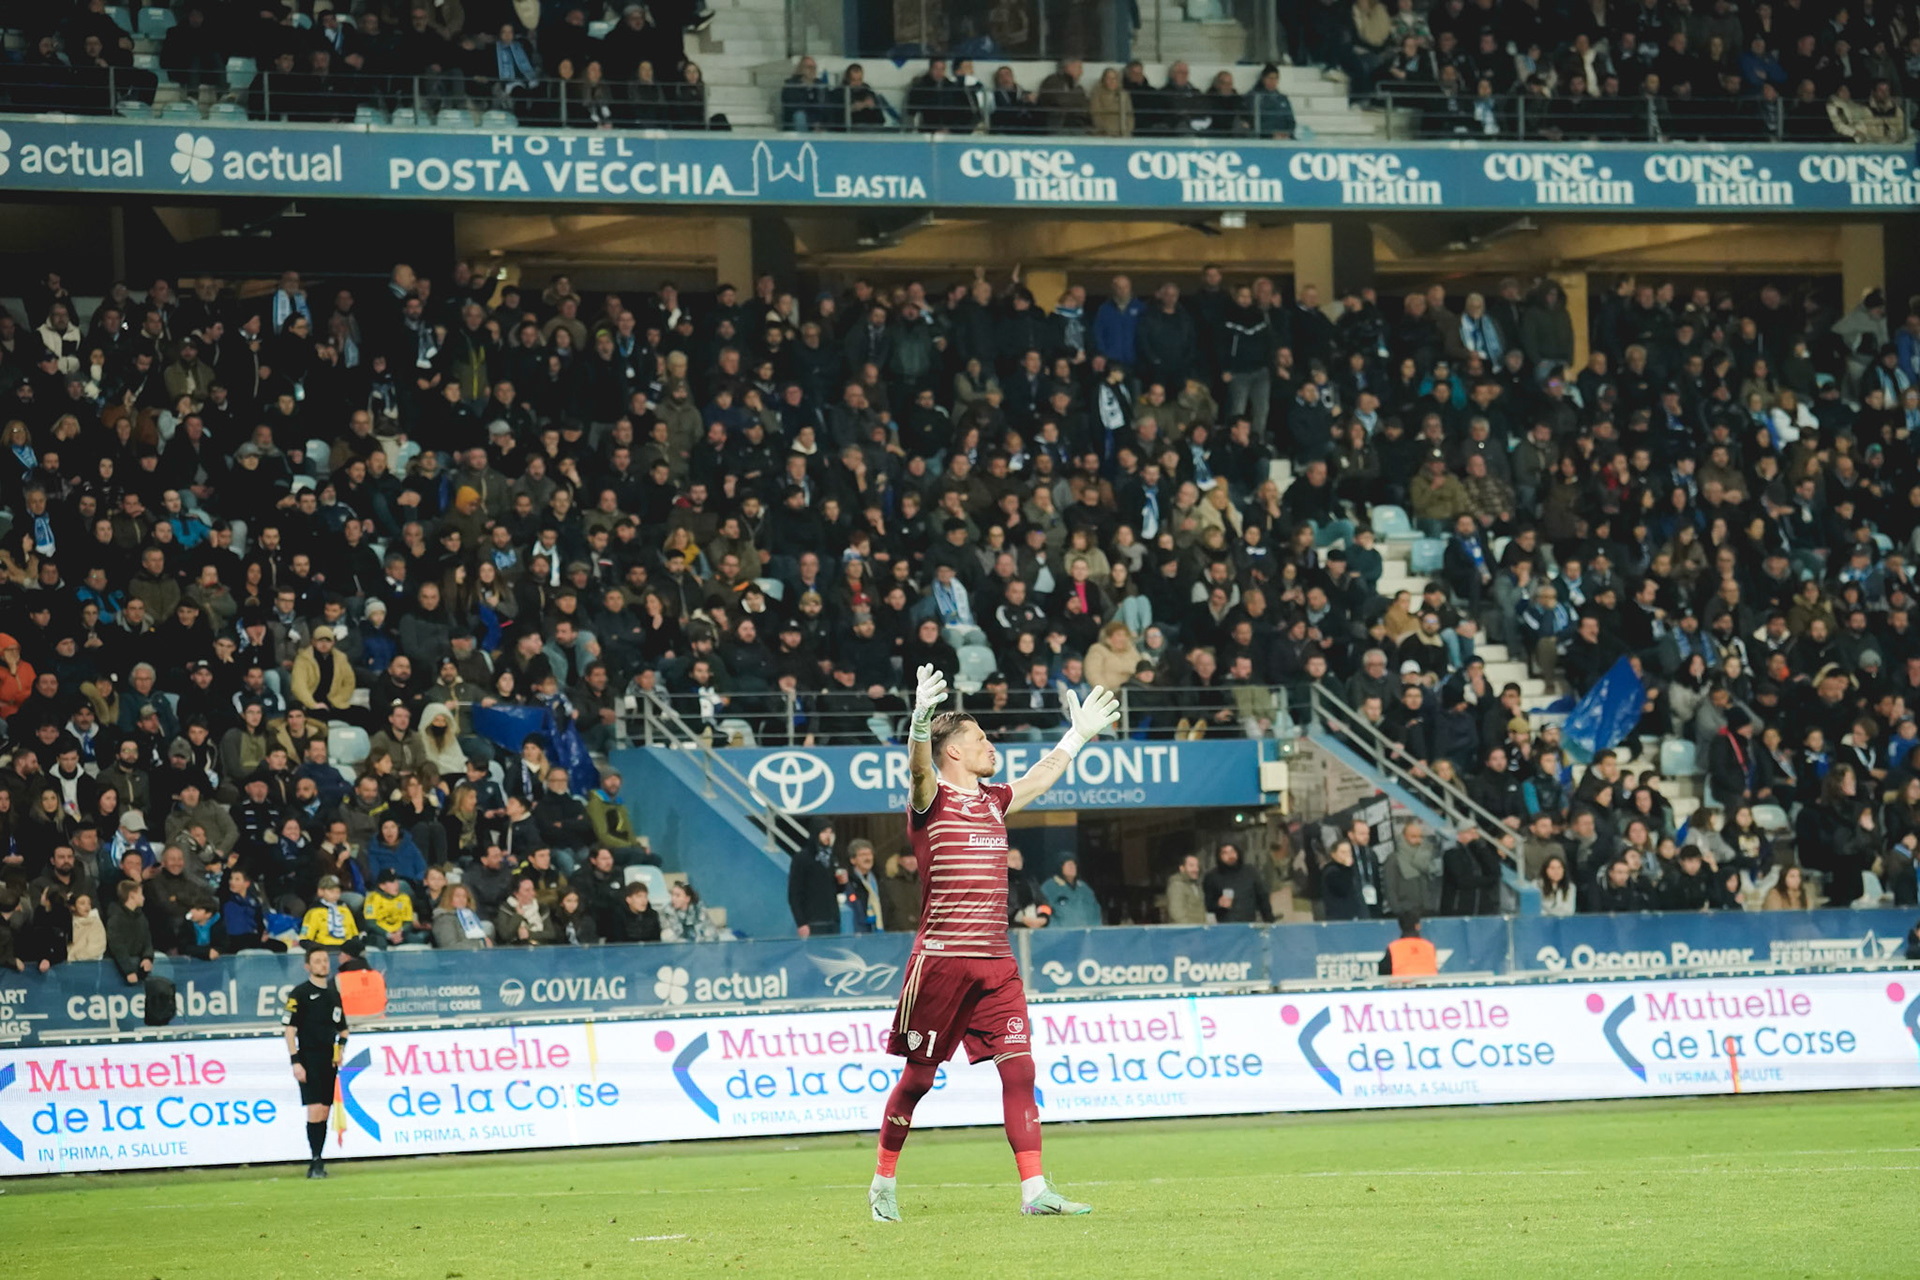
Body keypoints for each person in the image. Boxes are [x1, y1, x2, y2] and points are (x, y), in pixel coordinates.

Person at [868, 663, 1117, 1223]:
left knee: (1021, 1069)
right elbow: (917, 770)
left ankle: (1034, 1191)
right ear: (952, 751)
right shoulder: (929, 800)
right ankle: (884, 1179)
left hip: (996, 963)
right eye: (980, 738)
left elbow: (1040, 777)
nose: (991, 745)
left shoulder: (992, 800)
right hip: (941, 962)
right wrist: (918, 724)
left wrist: (1076, 737)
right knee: (919, 1079)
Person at [283, 945, 350, 1178]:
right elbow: (289, 1029)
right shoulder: (299, 993)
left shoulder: (334, 994)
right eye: (317, 961)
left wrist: (340, 1050)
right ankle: (314, 1161)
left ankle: (319, 1158)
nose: (323, 964)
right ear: (307, 966)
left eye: (325, 960)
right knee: (313, 1109)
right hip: (308, 1057)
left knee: (324, 1110)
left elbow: (343, 1030)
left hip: (327, 1061)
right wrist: (295, 1060)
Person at [1202, 840, 1274, 922]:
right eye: (1225, 853)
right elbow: (1208, 905)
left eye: (1232, 851)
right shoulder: (1212, 877)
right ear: (1219, 856)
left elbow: (1262, 898)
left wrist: (1269, 921)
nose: (1230, 856)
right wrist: (1218, 904)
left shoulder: (1250, 872)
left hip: (1249, 924)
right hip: (1226, 927)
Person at [1042, 857, 1102, 928]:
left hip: (1085, 935)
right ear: (1060, 867)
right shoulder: (1049, 887)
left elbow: (1096, 910)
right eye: (1069, 865)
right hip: (1060, 935)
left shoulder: (1084, 888)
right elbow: (1044, 913)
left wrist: (1095, 929)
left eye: (1074, 865)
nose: (1072, 867)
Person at [1377, 911, 1438, 976]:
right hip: (1428, 985)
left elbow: (1383, 970)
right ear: (1418, 926)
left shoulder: (1393, 948)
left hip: (1401, 984)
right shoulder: (1430, 947)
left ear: (1400, 927)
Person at [1165, 852, 1206, 924]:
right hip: (1185, 932)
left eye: (1197, 866)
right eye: (1191, 866)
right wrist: (1191, 930)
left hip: (1197, 931)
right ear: (1182, 868)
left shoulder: (1195, 885)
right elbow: (1177, 914)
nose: (1196, 869)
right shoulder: (1177, 886)